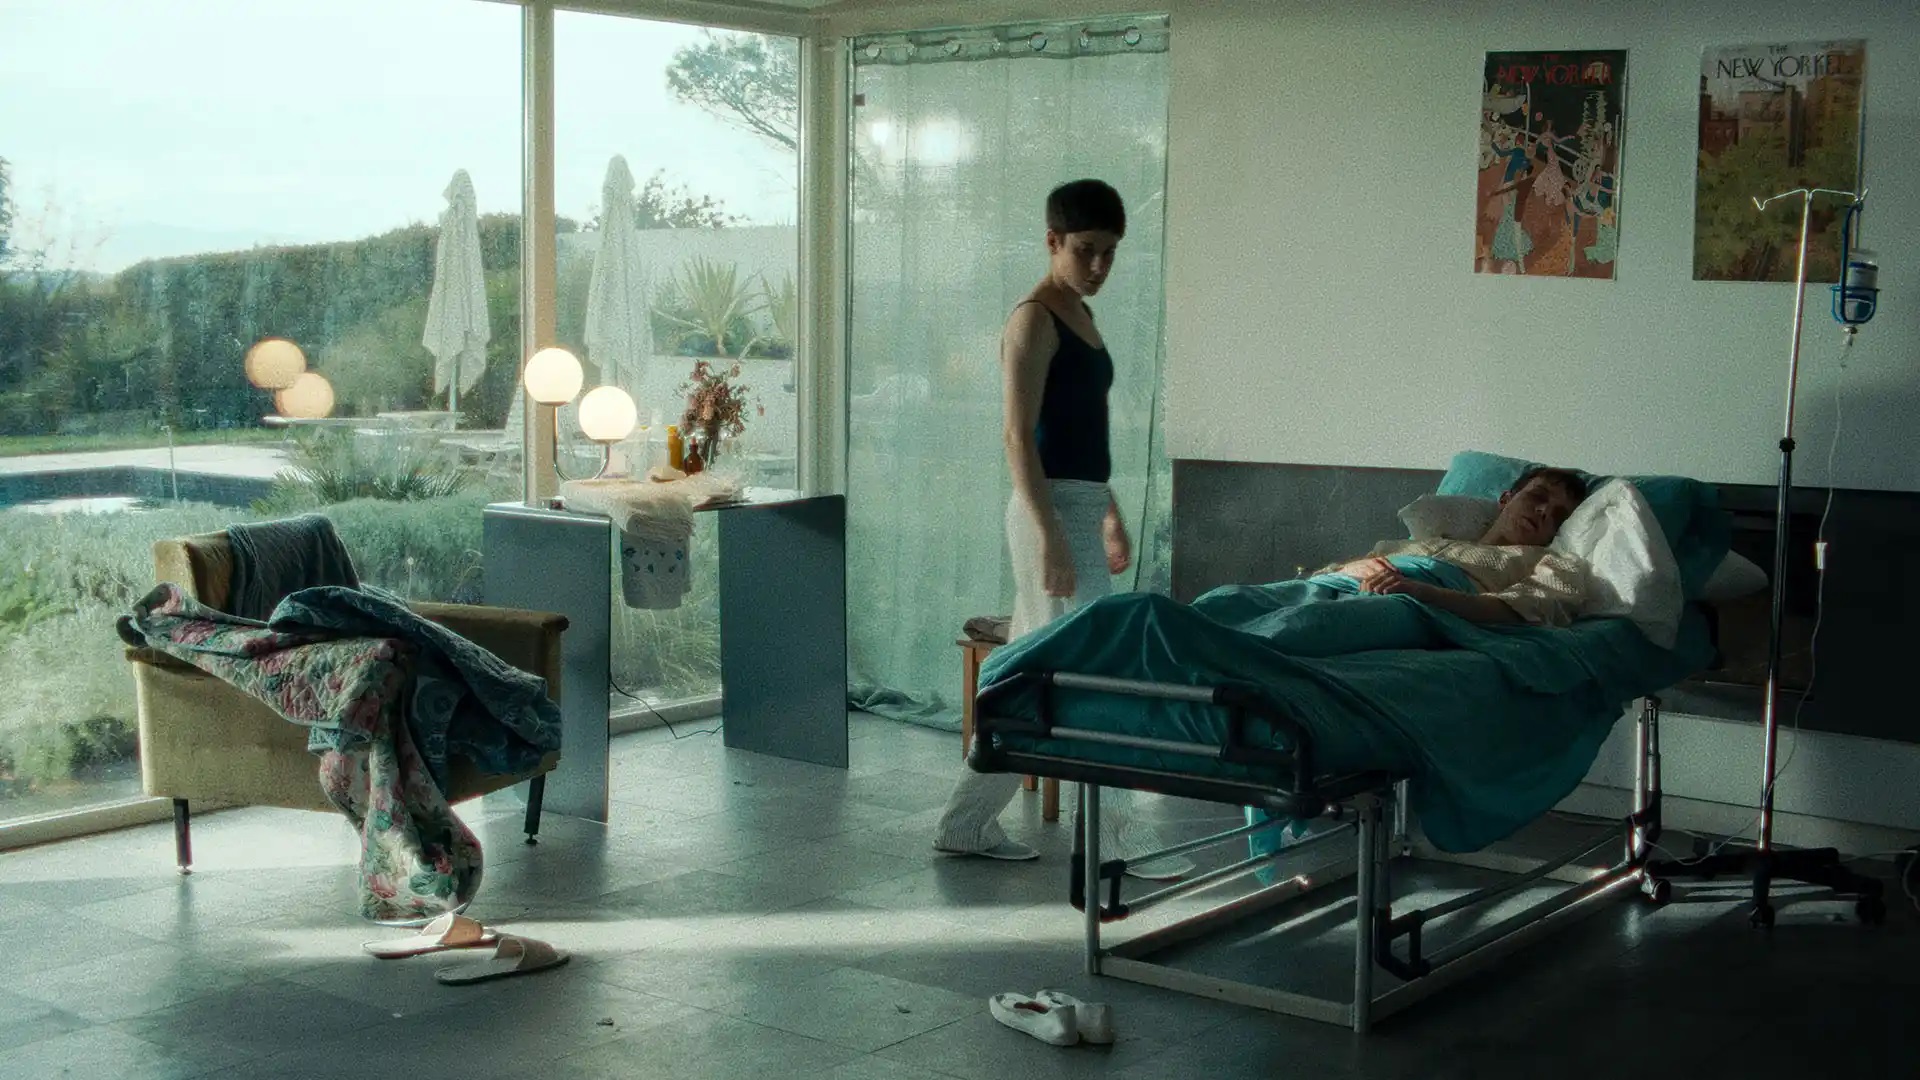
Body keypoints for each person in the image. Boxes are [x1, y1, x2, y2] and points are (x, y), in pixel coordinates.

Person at [931, 179, 1187, 877]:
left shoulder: (1081, 314)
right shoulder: (1034, 320)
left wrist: (1109, 514)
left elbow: (1080, 435)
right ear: (1052, 241)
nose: (1099, 266)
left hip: (1076, 507)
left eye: (1110, 253)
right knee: (1099, 670)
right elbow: (1018, 437)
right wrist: (1049, 535)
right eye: (1086, 250)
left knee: (1028, 675)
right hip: (1046, 513)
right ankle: (1110, 839)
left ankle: (964, 822)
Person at [1321, 465, 1590, 626]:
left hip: (1408, 603)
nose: (1544, 511)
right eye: (1537, 496)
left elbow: (1517, 611)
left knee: (1306, 624)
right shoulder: (1426, 542)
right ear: (1506, 499)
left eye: (1558, 516)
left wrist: (1422, 592)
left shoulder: (1552, 563)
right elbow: (1326, 574)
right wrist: (1348, 570)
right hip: (1339, 585)